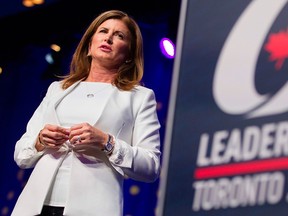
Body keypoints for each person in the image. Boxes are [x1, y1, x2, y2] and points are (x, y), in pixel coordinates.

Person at [11, 9, 161, 216]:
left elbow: (150, 166)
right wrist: (40, 140)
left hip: (93, 207)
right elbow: (21, 154)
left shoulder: (139, 97)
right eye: (103, 31)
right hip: (35, 206)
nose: (108, 37)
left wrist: (106, 142)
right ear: (89, 45)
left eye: (119, 36)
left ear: (128, 54)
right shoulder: (58, 89)